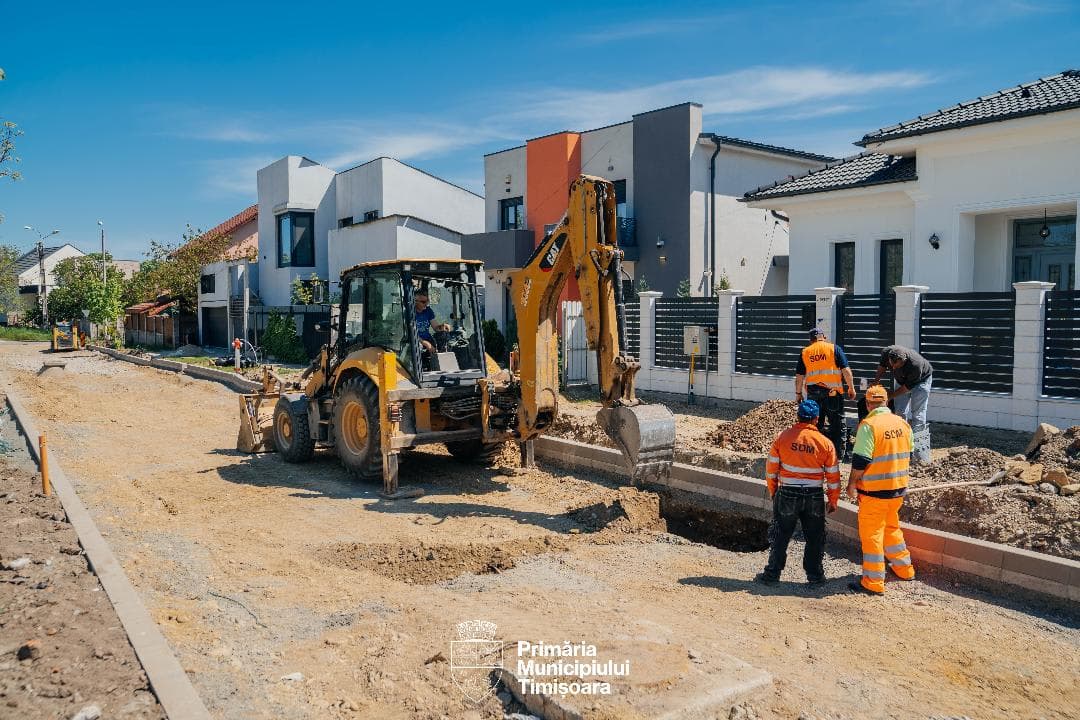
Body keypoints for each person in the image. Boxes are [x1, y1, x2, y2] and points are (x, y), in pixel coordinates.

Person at [755, 399, 841, 586]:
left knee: (780, 534)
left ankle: (772, 575)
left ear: (798, 416)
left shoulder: (783, 438)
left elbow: (771, 469)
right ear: (817, 419)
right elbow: (833, 476)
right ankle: (815, 577)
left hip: (787, 494)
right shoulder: (825, 443)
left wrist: (773, 491)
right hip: (814, 496)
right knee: (815, 537)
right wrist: (833, 500)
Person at [845, 384, 915, 596]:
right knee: (891, 528)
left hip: (874, 493)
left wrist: (851, 484)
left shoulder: (868, 425)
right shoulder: (902, 423)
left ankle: (873, 582)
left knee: (872, 535)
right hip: (897, 491)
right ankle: (904, 569)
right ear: (887, 402)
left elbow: (860, 460)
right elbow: (908, 453)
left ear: (867, 404)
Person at [795, 327, 856, 460]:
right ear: (824, 337)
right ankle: (839, 455)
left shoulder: (805, 352)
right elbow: (846, 370)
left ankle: (815, 453)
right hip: (833, 393)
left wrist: (798, 393)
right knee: (838, 423)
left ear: (811, 340)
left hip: (813, 393)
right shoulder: (834, 349)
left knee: (815, 423)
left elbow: (799, 376)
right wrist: (851, 388)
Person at [873, 344, 933, 464]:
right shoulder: (887, 352)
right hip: (902, 380)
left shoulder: (916, 365)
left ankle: (920, 457)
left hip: (921, 381)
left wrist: (889, 396)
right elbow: (882, 366)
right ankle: (902, 451)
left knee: (918, 416)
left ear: (904, 361)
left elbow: (906, 388)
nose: (893, 368)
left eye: (897, 365)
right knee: (899, 414)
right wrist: (876, 381)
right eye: (892, 365)